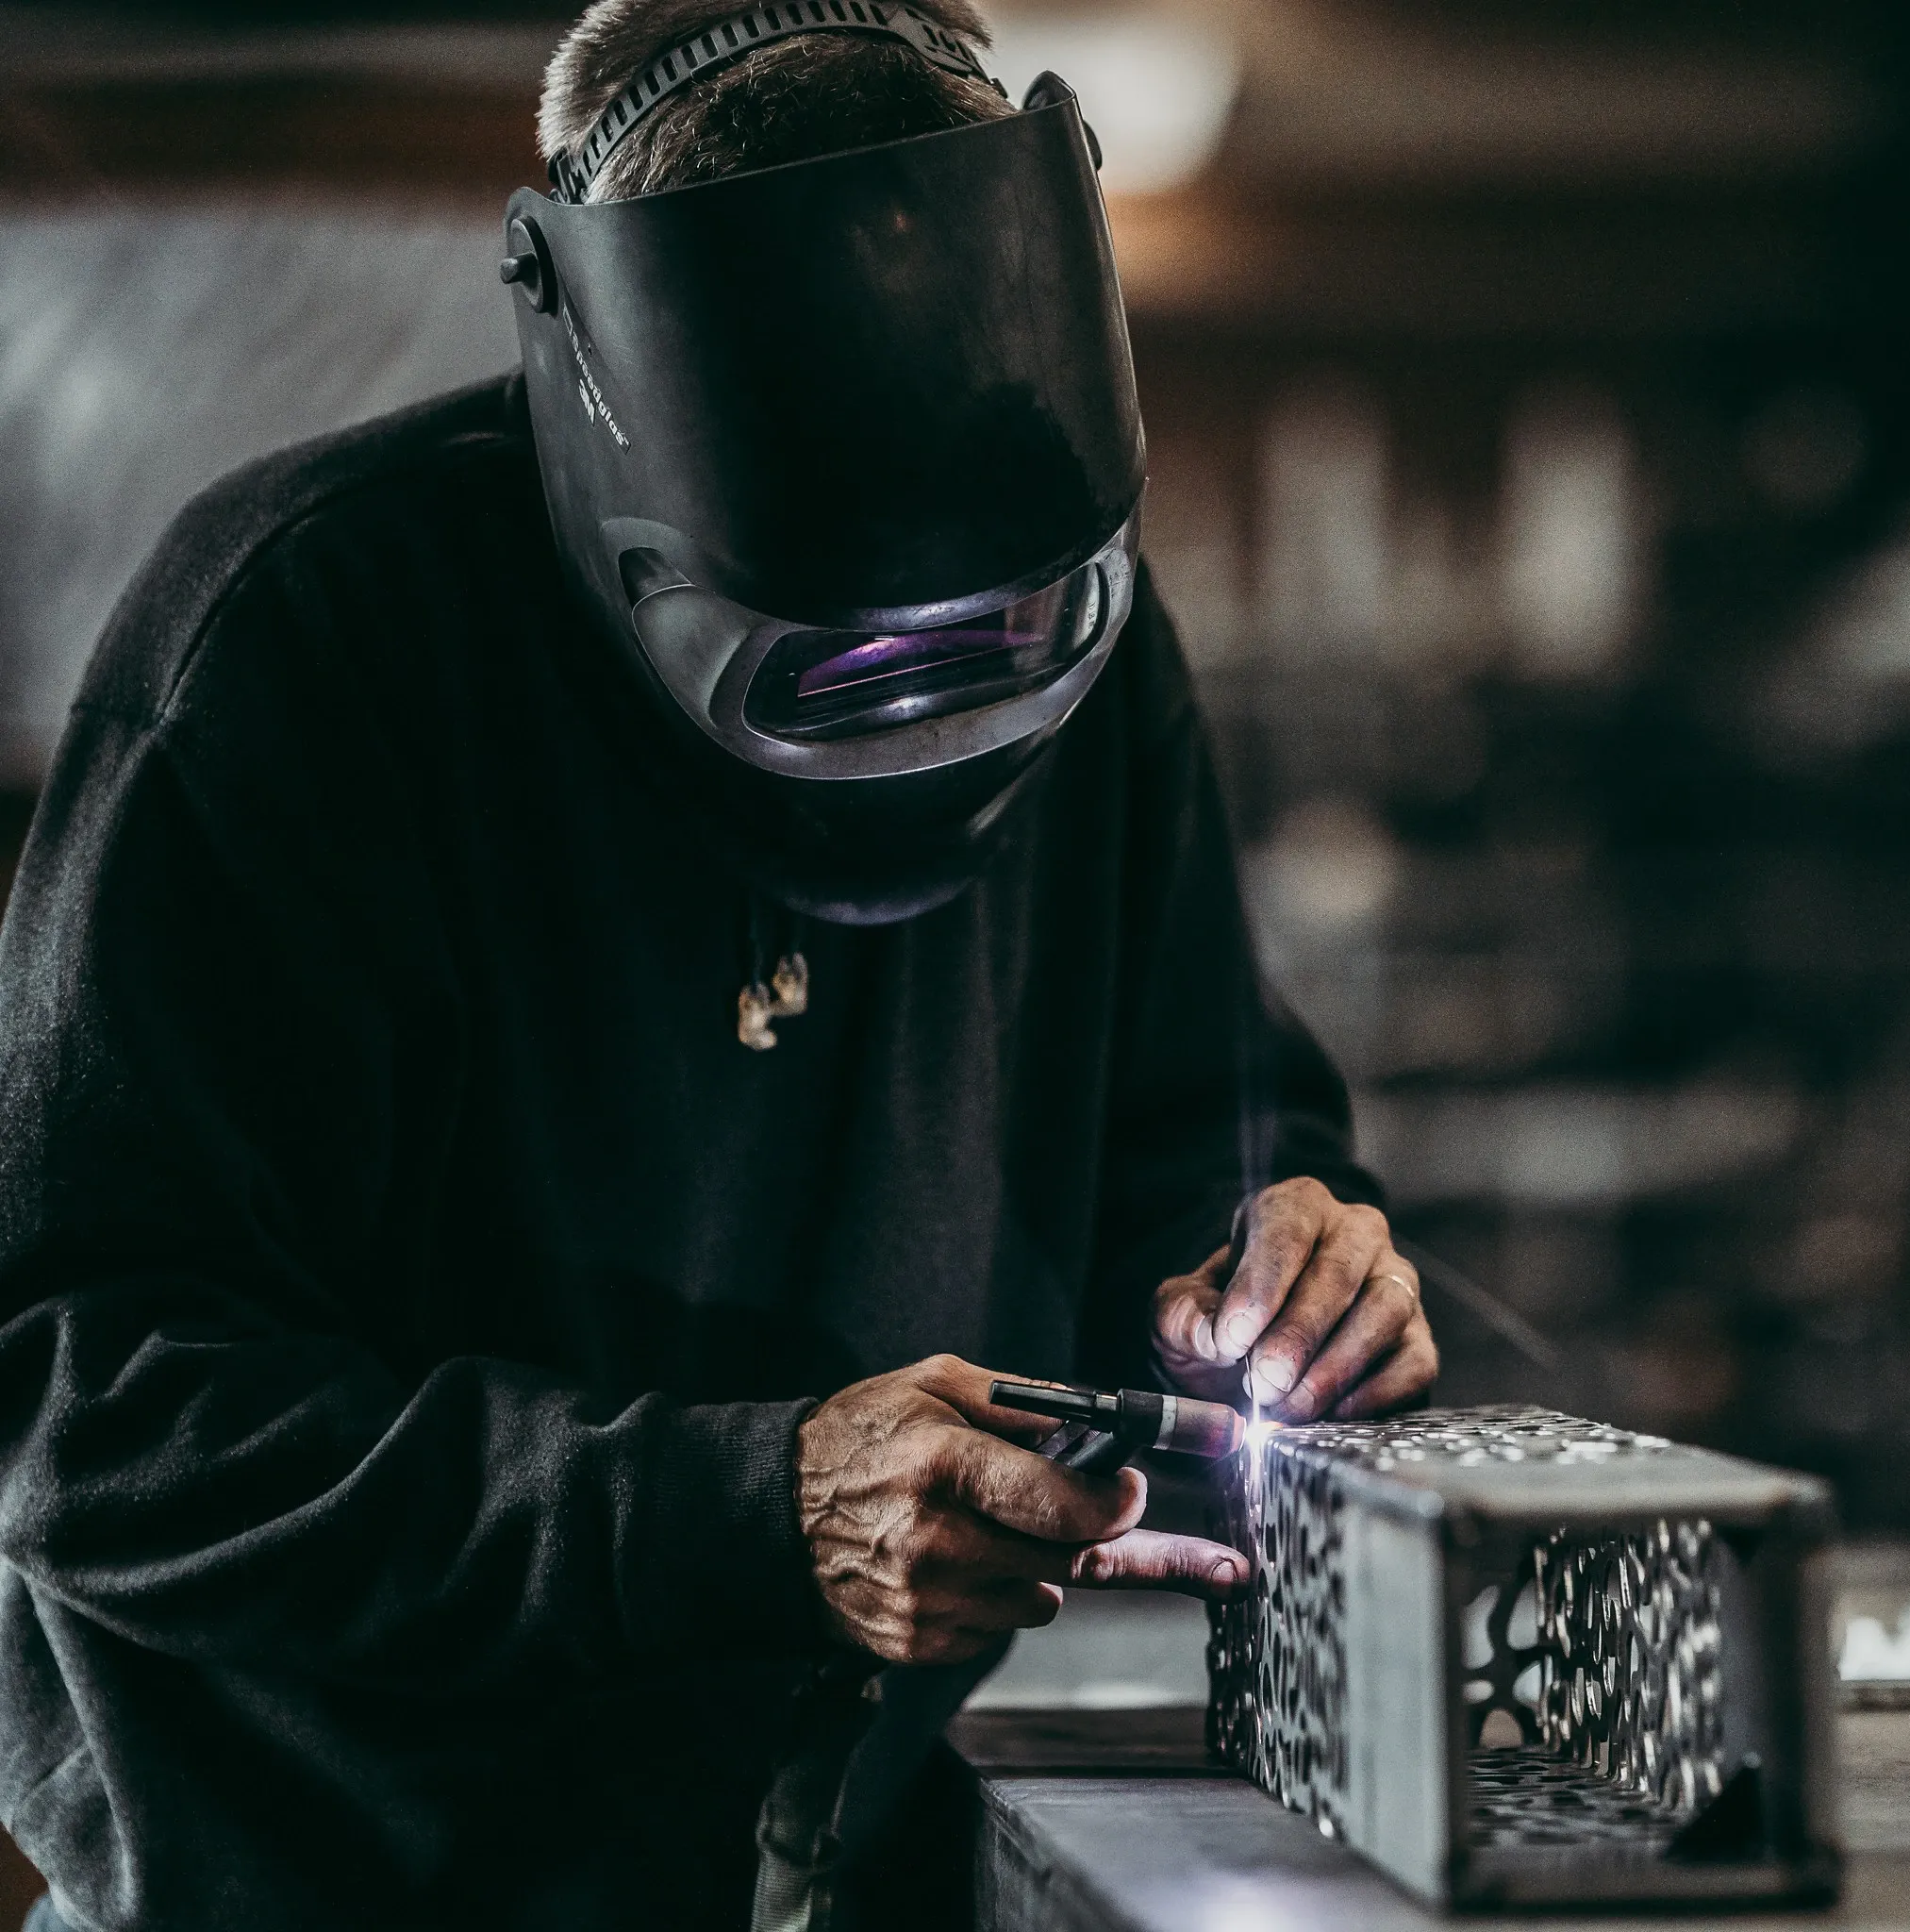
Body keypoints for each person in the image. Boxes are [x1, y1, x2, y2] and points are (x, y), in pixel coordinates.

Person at [0, 2, 1437, 1926]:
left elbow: (1179, 1134)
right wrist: (725, 1511)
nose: (935, 702)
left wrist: (1278, 1249)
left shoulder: (1089, 640)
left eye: (1011, 628)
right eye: (832, 650)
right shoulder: (299, 648)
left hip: (853, 1846)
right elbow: (82, 1405)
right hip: (342, 1873)